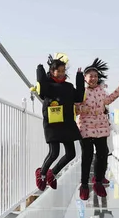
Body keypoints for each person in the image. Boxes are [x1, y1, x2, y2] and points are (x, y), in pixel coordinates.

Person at [75, 58, 119, 200]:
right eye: (90, 76)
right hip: (86, 126)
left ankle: (98, 181)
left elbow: (107, 100)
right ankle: (84, 185)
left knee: (103, 153)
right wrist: (87, 110)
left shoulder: (101, 91)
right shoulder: (81, 91)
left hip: (101, 126)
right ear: (85, 78)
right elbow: (76, 109)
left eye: (96, 76)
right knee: (87, 155)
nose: (93, 78)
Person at [34, 54, 85, 191]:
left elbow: (79, 96)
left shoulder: (68, 87)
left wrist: (79, 77)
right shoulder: (47, 86)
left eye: (63, 71)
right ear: (52, 71)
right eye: (59, 71)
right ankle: (42, 174)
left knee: (71, 153)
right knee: (54, 153)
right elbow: (42, 89)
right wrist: (40, 70)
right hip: (53, 124)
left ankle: (53, 173)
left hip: (67, 123)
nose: (62, 74)